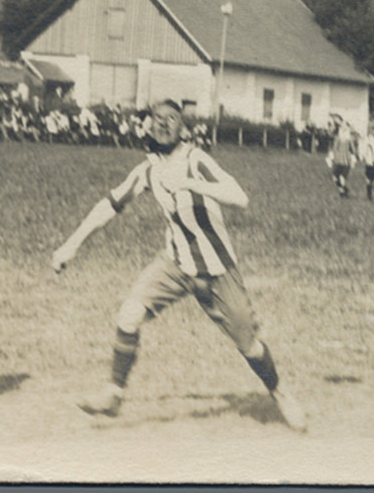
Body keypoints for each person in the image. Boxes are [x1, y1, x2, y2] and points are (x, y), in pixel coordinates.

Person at [50, 99, 305, 430]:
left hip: (217, 269)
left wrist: (190, 183)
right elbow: (109, 206)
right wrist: (71, 245)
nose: (164, 124)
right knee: (129, 313)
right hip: (175, 263)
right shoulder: (148, 169)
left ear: (182, 128)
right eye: (157, 119)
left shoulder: (196, 160)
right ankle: (114, 392)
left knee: (249, 344)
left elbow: (239, 196)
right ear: (149, 126)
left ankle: (279, 392)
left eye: (172, 119)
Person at [327, 123, 356, 198]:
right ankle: (343, 190)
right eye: (342, 128)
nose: (343, 130)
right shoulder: (337, 139)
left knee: (342, 179)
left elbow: (353, 150)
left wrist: (353, 160)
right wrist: (330, 158)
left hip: (346, 162)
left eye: (345, 129)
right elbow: (334, 149)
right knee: (334, 178)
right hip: (338, 161)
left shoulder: (349, 140)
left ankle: (343, 194)